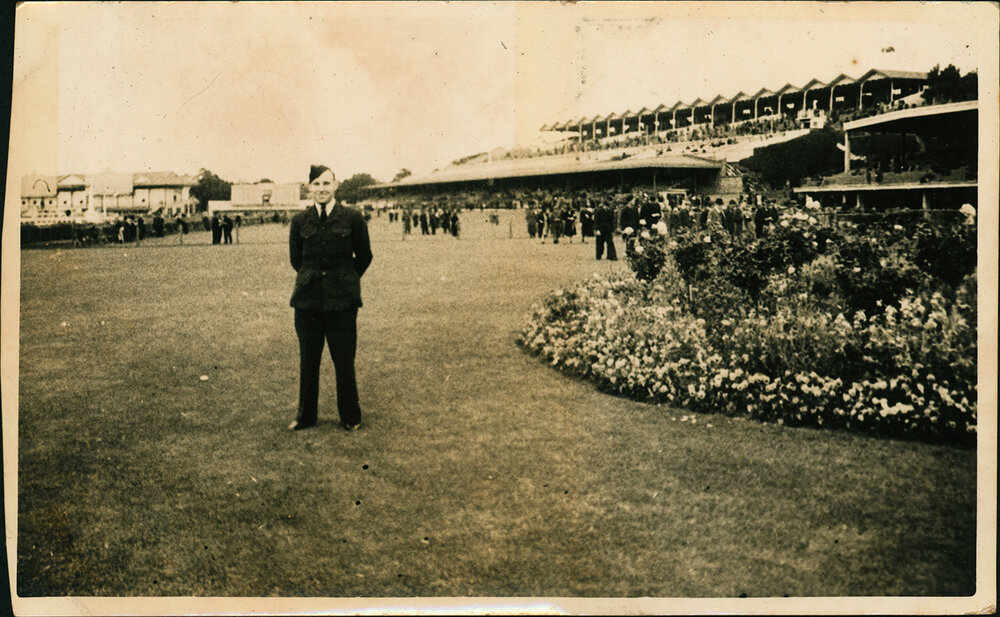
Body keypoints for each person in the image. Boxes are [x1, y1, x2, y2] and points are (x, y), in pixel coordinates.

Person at [288, 165, 373, 432]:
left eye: (327, 184)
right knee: (308, 361)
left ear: (336, 186)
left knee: (344, 360)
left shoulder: (352, 218)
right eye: (316, 184)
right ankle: (306, 416)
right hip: (308, 303)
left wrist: (345, 279)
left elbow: (365, 255)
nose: (322, 189)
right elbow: (296, 261)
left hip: (342, 304)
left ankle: (350, 416)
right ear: (309, 188)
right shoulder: (300, 221)